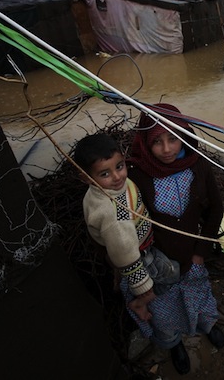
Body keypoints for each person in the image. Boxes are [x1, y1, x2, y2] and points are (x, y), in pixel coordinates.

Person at [127, 103, 224, 375]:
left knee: (199, 296)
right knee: (164, 310)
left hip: (192, 257)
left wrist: (200, 252)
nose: (167, 149)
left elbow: (216, 210)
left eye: (173, 138)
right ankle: (174, 344)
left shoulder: (198, 164)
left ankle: (208, 326)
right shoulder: (136, 174)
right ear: (146, 143)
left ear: (183, 134)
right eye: (157, 142)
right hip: (159, 263)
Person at [74, 133, 179, 323]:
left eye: (119, 166)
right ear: (85, 177)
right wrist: (142, 286)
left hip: (119, 247)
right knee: (172, 272)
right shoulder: (114, 213)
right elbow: (125, 254)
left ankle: (119, 278)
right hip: (137, 252)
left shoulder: (108, 190)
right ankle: (140, 303)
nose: (117, 177)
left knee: (119, 267)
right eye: (104, 174)